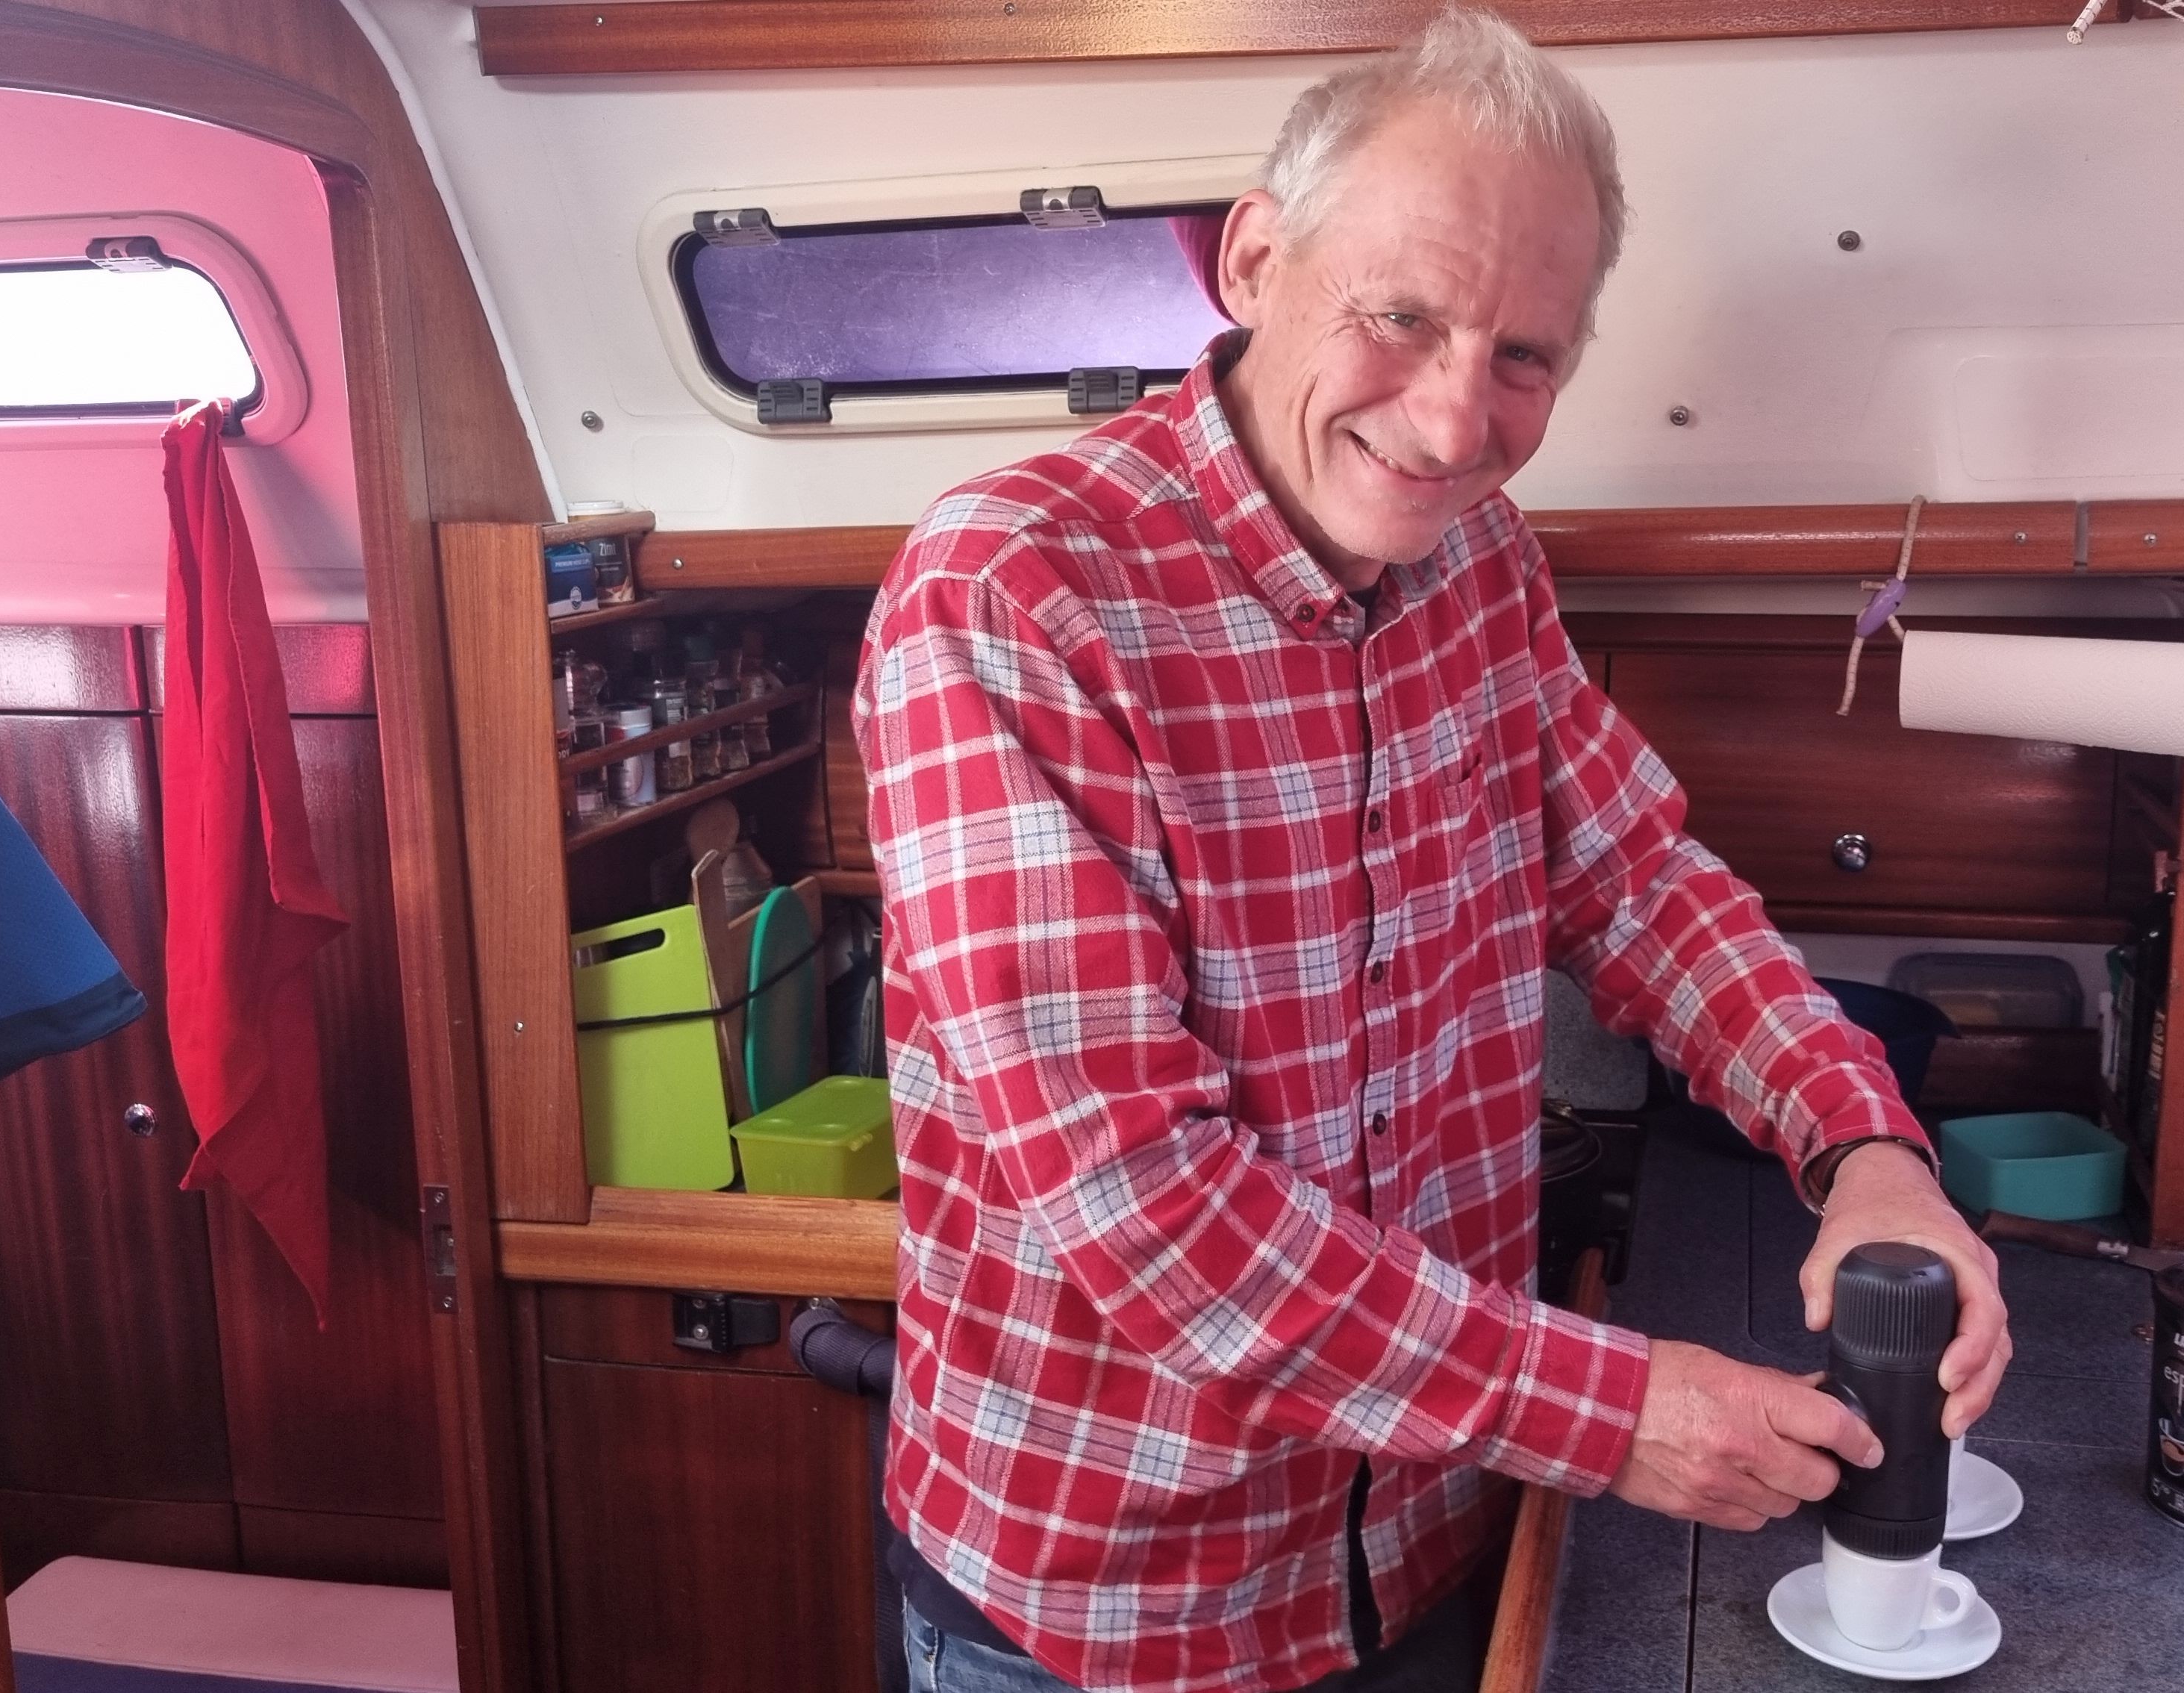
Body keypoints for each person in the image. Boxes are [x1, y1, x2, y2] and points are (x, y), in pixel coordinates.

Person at [852, 13, 2010, 1692]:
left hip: (1435, 1540)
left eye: (1524, 355)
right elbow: (1138, 1201)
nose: (1460, 423)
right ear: (1258, 260)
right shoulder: (1012, 589)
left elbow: (1642, 887)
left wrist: (1866, 1150)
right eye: (1402, 316)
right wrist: (1615, 1412)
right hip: (1115, 1611)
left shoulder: (1483, 562)